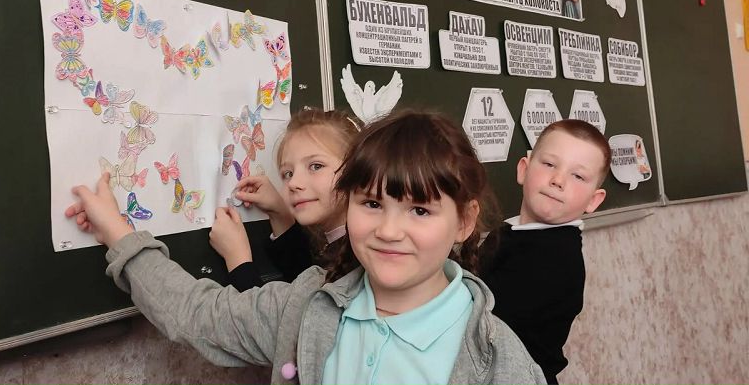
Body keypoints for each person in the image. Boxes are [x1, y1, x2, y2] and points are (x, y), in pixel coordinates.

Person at [65, 111, 545, 384]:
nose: (389, 230)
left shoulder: (499, 361)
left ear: (464, 222)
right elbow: (197, 314)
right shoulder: (308, 303)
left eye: (419, 210)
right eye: (371, 204)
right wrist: (119, 234)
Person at [478, 119, 609, 384]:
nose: (558, 180)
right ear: (523, 170)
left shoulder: (557, 259)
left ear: (593, 200)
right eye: (549, 164)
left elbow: (483, 326)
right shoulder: (507, 233)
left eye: (578, 176)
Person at [209, 108, 360, 291]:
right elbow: (303, 281)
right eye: (288, 173)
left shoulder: (363, 257)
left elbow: (300, 306)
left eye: (316, 166)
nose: (294, 183)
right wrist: (280, 214)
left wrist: (237, 259)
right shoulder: (345, 243)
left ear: (358, 169)